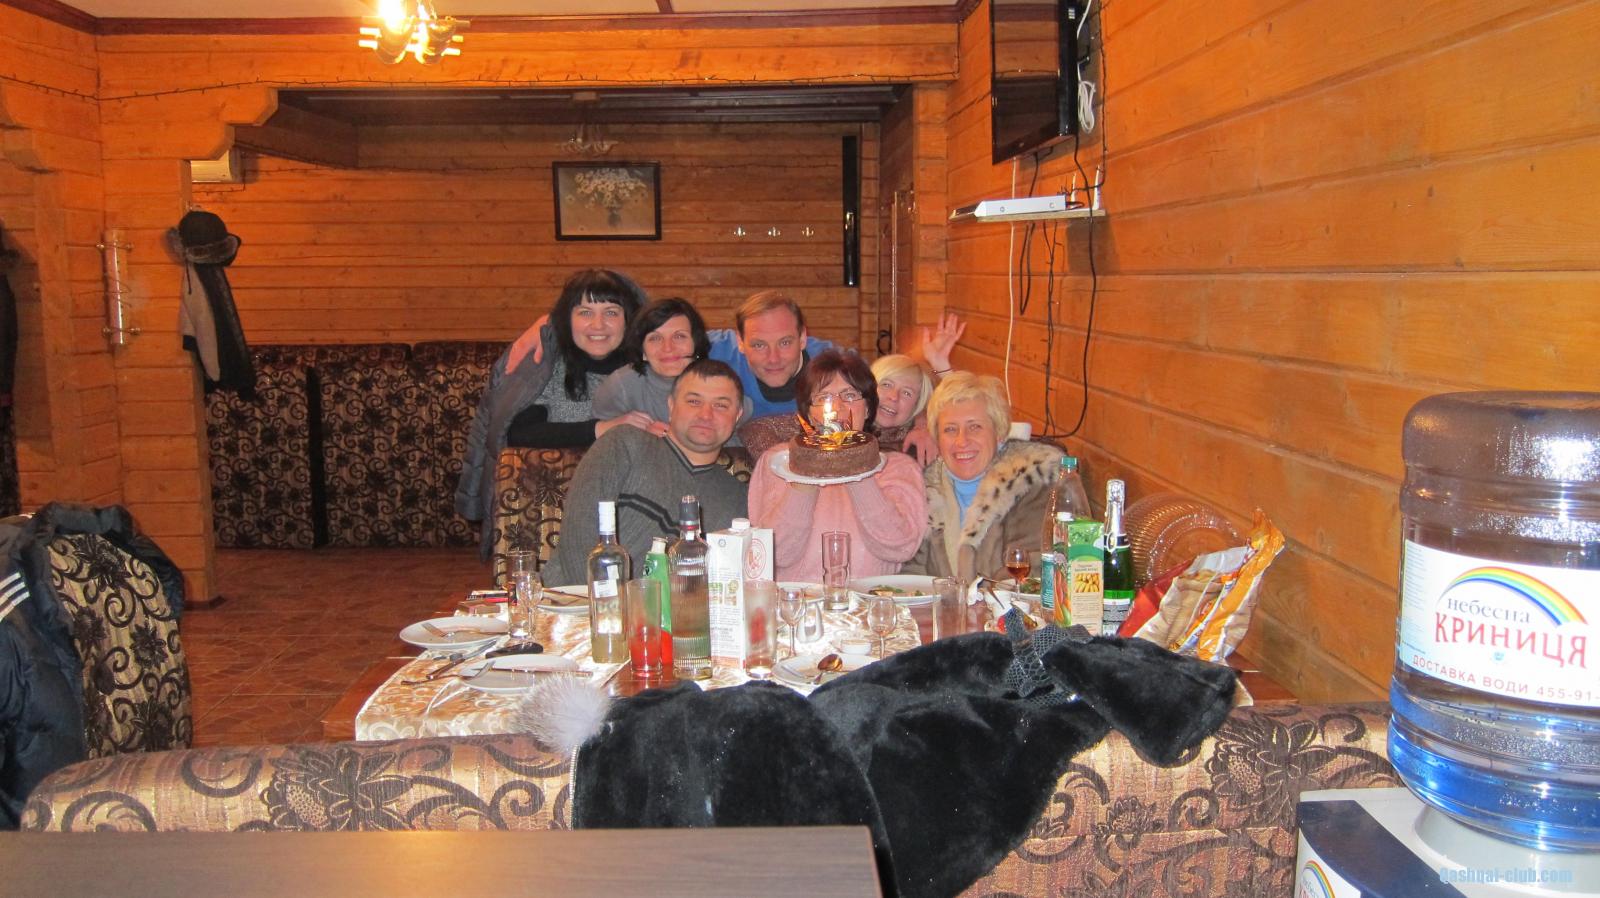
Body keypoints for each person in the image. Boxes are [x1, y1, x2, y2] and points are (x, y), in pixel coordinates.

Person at [456, 269, 650, 556]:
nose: (598, 324)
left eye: (611, 312)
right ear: (567, 320)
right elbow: (519, 432)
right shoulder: (547, 367)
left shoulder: (650, 368)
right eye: (585, 312)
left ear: (629, 320)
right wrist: (600, 428)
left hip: (636, 517)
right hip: (550, 520)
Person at [543, 359, 750, 586]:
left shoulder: (737, 499)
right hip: (573, 600)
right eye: (693, 401)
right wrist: (607, 601)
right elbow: (579, 536)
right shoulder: (624, 444)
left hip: (679, 609)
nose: (706, 414)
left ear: (737, 415)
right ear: (671, 405)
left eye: (721, 405)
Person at [747, 349, 927, 581]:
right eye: (824, 398)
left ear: (868, 408)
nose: (838, 407)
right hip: (798, 600)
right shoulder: (779, 462)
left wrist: (856, 465)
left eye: (849, 395)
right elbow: (775, 554)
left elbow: (900, 548)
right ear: (809, 413)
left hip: (870, 600)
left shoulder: (897, 467)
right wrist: (805, 473)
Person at [902, 372, 1063, 583]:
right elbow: (911, 576)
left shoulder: (1031, 484)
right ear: (937, 438)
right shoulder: (925, 493)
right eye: (950, 429)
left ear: (999, 433)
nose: (962, 441)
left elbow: (1031, 571)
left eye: (974, 427)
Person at [591, 297, 753, 439]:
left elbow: (743, 419)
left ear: (695, 343)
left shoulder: (719, 380)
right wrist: (638, 436)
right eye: (655, 338)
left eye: (679, 336)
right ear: (642, 349)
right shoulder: (621, 385)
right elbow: (600, 443)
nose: (668, 348)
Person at [707, 291, 837, 418]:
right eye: (759, 345)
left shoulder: (836, 367)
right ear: (740, 342)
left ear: (802, 338)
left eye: (785, 343)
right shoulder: (715, 350)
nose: (773, 359)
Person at [869, 354, 933, 455]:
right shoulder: (847, 430)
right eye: (886, 385)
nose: (894, 397)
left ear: (917, 405)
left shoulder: (922, 447)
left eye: (906, 393)